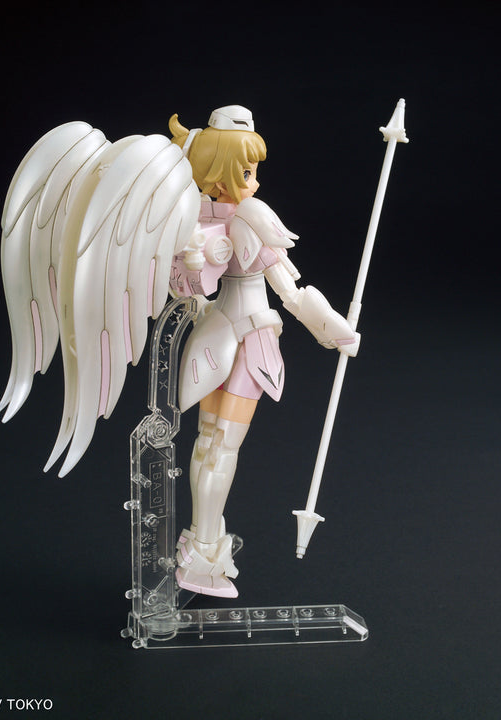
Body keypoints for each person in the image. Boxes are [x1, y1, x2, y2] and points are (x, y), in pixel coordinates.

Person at [167, 106, 359, 597]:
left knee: (208, 443)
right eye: (247, 171)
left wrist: (333, 330)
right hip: (247, 341)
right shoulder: (244, 220)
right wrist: (336, 331)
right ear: (221, 173)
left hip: (215, 337)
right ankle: (203, 551)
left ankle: (202, 544)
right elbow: (289, 293)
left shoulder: (195, 219)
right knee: (220, 445)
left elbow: (190, 287)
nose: (253, 181)